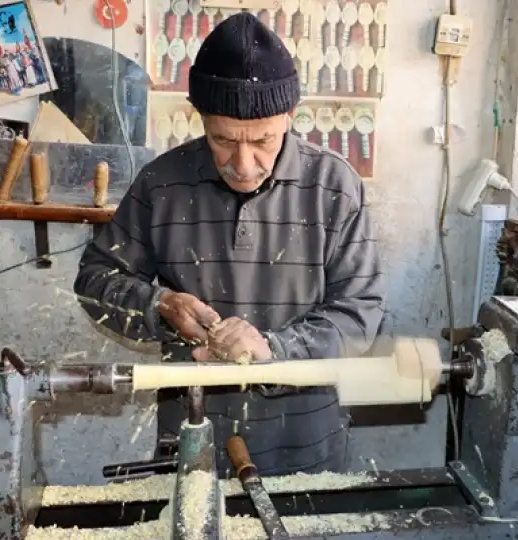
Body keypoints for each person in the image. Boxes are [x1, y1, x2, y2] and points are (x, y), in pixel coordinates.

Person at [74, 12, 385, 477]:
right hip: (193, 431)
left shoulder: (334, 186)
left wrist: (275, 350)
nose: (243, 163)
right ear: (200, 118)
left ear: (290, 116)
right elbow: (95, 281)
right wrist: (160, 306)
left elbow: (361, 312)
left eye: (262, 140)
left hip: (306, 440)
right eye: (223, 140)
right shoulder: (162, 183)